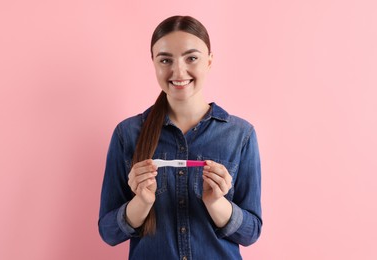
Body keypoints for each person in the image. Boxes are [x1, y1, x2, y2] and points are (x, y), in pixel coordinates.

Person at [98, 15, 262, 259]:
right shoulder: (127, 134)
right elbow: (109, 233)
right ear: (153, 63)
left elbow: (251, 233)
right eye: (165, 60)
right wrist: (141, 203)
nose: (178, 71)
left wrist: (216, 202)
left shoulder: (241, 134)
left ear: (209, 61)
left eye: (191, 58)